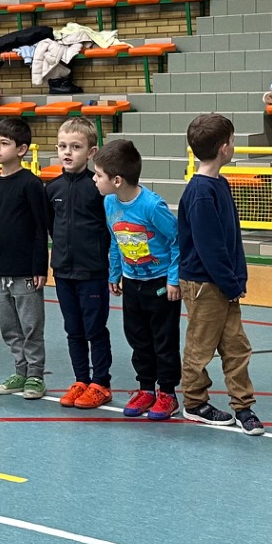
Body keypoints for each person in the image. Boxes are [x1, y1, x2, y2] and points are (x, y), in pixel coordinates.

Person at [179, 113, 261, 435]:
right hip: (205, 285)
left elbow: (231, 238)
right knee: (200, 347)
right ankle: (194, 402)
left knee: (236, 347)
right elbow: (209, 247)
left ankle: (243, 406)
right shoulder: (201, 192)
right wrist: (230, 282)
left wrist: (237, 278)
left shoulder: (219, 184)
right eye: (233, 141)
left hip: (224, 284)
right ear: (224, 148)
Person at [96, 137, 180, 421]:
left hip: (160, 284)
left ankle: (167, 392)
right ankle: (146, 388)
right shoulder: (109, 202)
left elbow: (177, 240)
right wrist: (114, 272)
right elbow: (115, 240)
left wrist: (173, 279)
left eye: (99, 175)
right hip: (132, 282)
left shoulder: (152, 206)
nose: (94, 179)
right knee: (137, 337)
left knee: (163, 340)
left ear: (117, 180)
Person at [0, 115, 51, 400]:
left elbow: (40, 228)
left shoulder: (31, 184)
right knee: (9, 327)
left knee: (31, 326)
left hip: (26, 270)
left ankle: (35, 375)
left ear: (21, 149)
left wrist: (39, 267)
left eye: (4, 143)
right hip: (1, 269)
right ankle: (20, 371)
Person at [49, 117, 112, 409]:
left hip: (92, 272)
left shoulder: (98, 189)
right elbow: (52, 227)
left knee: (94, 330)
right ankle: (81, 380)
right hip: (63, 272)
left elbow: (109, 229)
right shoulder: (52, 189)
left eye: (75, 147)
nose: (67, 152)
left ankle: (101, 383)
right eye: (63, 146)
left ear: (91, 152)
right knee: (73, 330)